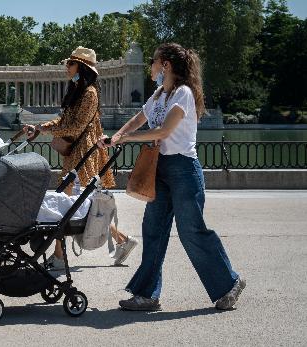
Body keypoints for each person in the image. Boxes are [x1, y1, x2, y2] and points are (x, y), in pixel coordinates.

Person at [98, 43, 246, 311]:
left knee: (191, 231)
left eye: (153, 62)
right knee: (152, 231)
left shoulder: (184, 94)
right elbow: (138, 119)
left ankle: (229, 283)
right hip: (160, 168)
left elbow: (164, 132)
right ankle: (146, 295)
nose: (150, 67)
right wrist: (117, 136)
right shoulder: (158, 95)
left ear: (165, 65)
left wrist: (127, 138)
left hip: (183, 170)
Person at [24, 46, 138, 270]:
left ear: (82, 67)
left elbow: (76, 127)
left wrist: (46, 130)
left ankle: (59, 256)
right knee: (78, 205)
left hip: (83, 154)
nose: (67, 67)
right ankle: (122, 241)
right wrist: (40, 128)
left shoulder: (89, 93)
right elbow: (63, 122)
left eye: (70, 63)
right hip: (76, 154)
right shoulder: (78, 90)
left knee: (67, 206)